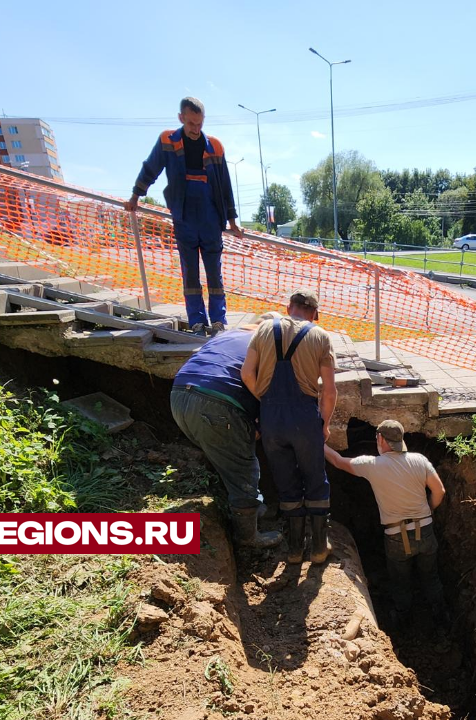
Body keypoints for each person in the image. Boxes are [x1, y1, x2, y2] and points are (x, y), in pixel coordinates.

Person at [124, 97, 243, 336]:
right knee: (190, 271)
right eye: (191, 123)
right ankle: (197, 321)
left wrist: (232, 221)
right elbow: (151, 168)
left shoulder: (216, 146)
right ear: (181, 118)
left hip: (210, 218)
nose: (196, 129)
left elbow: (225, 186)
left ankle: (218, 321)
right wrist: (136, 196)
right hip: (184, 216)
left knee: (214, 271)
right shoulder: (168, 140)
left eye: (199, 124)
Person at [241, 290, 337, 564]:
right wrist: (325, 424)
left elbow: (247, 374)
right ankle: (319, 548)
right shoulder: (320, 336)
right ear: (314, 314)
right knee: (316, 480)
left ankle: (295, 550)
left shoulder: (262, 331)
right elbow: (329, 392)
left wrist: (267, 401)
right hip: (305, 417)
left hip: (271, 418)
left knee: (286, 482)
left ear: (288, 307)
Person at [171, 316, 282, 549]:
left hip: (179, 396)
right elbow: (269, 391)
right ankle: (248, 538)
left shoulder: (226, 335)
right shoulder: (265, 342)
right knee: (243, 467)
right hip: (217, 404)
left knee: (230, 455)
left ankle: (252, 506)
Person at [324, 420, 449, 626]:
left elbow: (337, 461)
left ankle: (402, 619)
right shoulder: (420, 460)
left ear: (380, 438)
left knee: (400, 582)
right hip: (425, 530)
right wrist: (428, 510)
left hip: (397, 536)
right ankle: (440, 616)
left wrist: (320, 442)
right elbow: (439, 491)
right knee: (431, 577)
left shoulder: (372, 465)